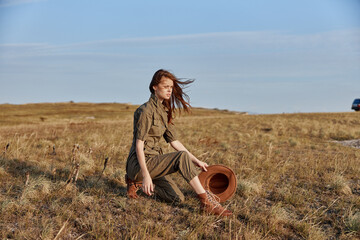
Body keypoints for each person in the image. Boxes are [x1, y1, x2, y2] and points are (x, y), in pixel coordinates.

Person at [125, 69, 232, 216]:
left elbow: (174, 142)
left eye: (171, 87)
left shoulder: (163, 111)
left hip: (154, 163)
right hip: (139, 164)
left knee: (177, 198)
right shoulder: (145, 111)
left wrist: (196, 161)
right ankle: (207, 203)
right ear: (154, 87)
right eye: (165, 86)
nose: (169, 90)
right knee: (181, 157)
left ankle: (135, 183)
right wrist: (145, 175)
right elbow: (139, 145)